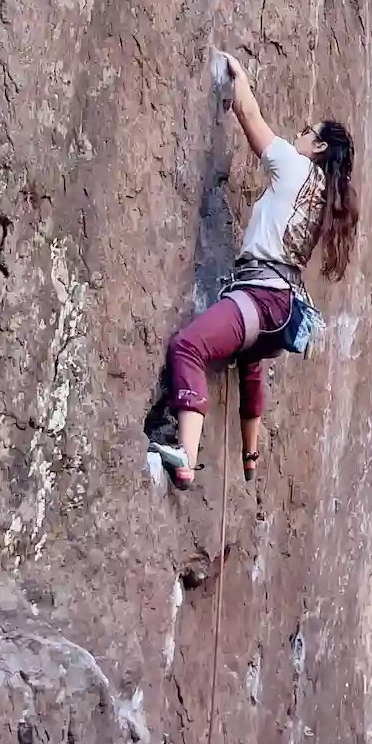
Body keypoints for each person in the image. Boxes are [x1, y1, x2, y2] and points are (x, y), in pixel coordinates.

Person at [152, 54, 358, 491]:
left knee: (188, 347)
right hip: (280, 309)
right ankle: (250, 458)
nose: (298, 135)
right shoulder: (323, 197)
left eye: (306, 132)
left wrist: (239, 76)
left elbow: (249, 114)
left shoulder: (296, 165)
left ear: (318, 147)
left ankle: (185, 456)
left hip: (260, 298)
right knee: (248, 363)